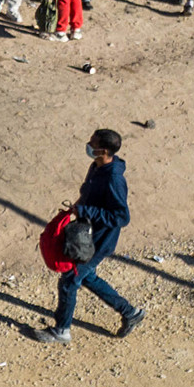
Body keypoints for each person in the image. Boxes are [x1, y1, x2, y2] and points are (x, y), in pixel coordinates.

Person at [32, 129, 144, 345]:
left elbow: (121, 217)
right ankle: (130, 313)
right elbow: (88, 194)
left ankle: (61, 331)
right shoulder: (97, 167)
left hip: (97, 242)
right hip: (86, 236)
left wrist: (86, 212)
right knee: (86, 277)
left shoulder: (114, 178)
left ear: (103, 150)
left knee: (69, 281)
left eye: (92, 143)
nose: (88, 145)